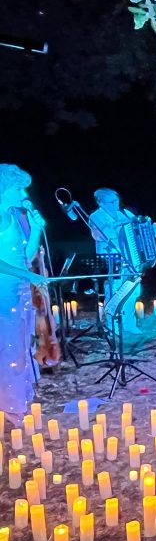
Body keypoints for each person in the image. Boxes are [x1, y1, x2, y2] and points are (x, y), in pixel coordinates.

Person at [0, 164, 49, 416]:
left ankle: (21, 397)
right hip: (4, 291)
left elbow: (25, 257)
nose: (24, 194)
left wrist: (36, 229)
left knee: (22, 343)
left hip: (20, 289)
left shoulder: (15, 217)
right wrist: (26, 275)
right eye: (18, 188)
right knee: (9, 347)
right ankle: (11, 407)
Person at [88, 187, 154, 336]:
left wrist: (148, 228)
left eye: (116, 200)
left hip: (132, 259)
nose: (115, 203)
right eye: (110, 202)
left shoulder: (124, 213)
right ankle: (112, 326)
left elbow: (136, 227)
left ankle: (129, 323)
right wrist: (122, 223)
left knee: (133, 291)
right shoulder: (96, 216)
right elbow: (101, 235)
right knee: (114, 292)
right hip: (111, 260)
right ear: (100, 203)